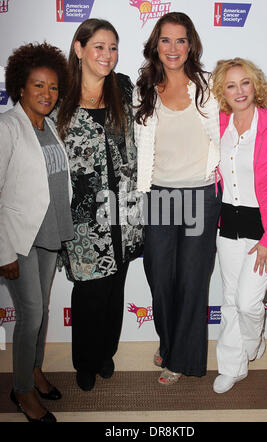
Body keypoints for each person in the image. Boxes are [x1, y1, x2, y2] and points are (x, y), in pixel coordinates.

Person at [133, 12, 267, 385]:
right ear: (155, 45)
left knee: (192, 282)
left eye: (181, 40)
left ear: (192, 45)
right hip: (158, 194)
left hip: (202, 195)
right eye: (166, 40)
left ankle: (182, 360)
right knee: (160, 280)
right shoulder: (142, 88)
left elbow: (250, 114)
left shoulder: (208, 87)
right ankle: (168, 341)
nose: (173, 49)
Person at [56, 18, 143, 392]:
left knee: (115, 289)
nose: (107, 55)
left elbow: (169, 112)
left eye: (113, 47)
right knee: (89, 293)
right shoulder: (58, 97)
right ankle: (85, 362)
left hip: (123, 210)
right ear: (79, 49)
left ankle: (106, 352)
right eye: (99, 47)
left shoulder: (123, 88)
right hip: (81, 217)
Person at [211, 58, 267, 394]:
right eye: (231, 85)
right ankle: (233, 366)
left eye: (245, 83)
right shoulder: (217, 124)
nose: (239, 91)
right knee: (230, 299)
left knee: (248, 302)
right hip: (227, 223)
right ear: (222, 92)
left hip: (266, 226)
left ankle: (253, 341)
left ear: (255, 85)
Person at [0, 42, 73, 422]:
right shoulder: (7, 127)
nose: (47, 94)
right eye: (38, 86)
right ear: (20, 86)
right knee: (29, 315)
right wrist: (3, 252)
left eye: (53, 87)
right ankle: (22, 391)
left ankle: (34, 369)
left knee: (41, 311)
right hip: (19, 238)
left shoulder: (46, 126)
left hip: (49, 233)